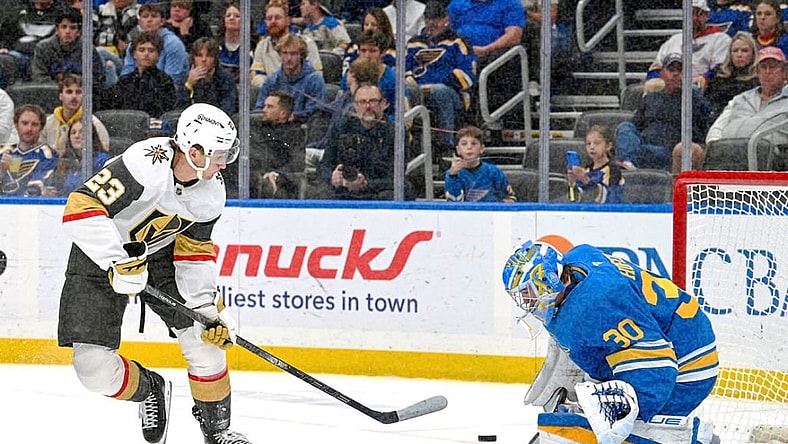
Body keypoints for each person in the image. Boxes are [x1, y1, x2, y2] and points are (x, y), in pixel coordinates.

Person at [57, 102, 254, 444]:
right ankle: (150, 390)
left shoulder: (211, 192)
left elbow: (194, 253)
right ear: (194, 152)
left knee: (204, 342)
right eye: (219, 154)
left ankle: (218, 433)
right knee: (93, 370)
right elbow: (80, 205)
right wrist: (116, 259)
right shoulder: (144, 162)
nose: (224, 163)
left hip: (159, 256)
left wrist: (207, 311)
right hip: (98, 255)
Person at [501, 236, 718, 444]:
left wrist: (625, 409)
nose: (527, 302)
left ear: (548, 279)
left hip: (688, 361)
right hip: (677, 334)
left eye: (528, 291)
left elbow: (659, 368)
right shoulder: (578, 264)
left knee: (624, 428)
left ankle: (696, 439)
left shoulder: (597, 302)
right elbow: (601, 337)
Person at [616, 53, 714, 171]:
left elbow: (703, 132)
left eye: (680, 70)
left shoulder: (694, 100)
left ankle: (629, 162)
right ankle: (629, 163)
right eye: (671, 70)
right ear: (662, 73)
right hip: (644, 144)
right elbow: (635, 126)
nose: (675, 73)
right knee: (625, 126)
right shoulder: (651, 98)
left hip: (669, 152)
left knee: (641, 150)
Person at [405, 0, 476, 152]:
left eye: (436, 19)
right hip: (418, 92)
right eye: (428, 19)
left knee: (439, 91)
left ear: (446, 19)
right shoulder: (414, 43)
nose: (432, 23)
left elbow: (468, 74)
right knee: (404, 90)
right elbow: (405, 68)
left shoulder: (459, 41)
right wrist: (411, 81)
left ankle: (447, 146)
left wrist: (435, 85)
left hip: (452, 94)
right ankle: (407, 145)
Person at [317, 83, 400, 200]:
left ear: (384, 104)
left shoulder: (396, 132)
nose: (367, 107)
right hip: (344, 190)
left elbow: (397, 177)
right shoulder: (341, 127)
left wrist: (365, 184)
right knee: (320, 192)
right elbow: (324, 165)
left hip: (377, 192)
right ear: (355, 106)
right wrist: (332, 176)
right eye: (362, 102)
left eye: (373, 101)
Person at [705, 46, 788, 146]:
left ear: (784, 72)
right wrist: (716, 146)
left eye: (773, 67)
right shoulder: (740, 99)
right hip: (731, 153)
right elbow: (718, 127)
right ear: (757, 72)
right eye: (763, 67)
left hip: (774, 156)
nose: (767, 72)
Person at [646, 0, 730, 90]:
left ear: (707, 16)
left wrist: (705, 78)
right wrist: (655, 80)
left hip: (700, 87)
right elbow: (656, 66)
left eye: (699, 14)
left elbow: (721, 68)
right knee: (636, 91)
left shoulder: (720, 39)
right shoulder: (675, 39)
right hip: (670, 86)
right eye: (690, 13)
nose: (694, 18)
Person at [101, 30, 177, 118]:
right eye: (141, 50)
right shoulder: (125, 81)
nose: (146, 54)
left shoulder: (165, 81)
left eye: (151, 50)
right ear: (134, 54)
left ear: (158, 55)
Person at [253, 34, 326, 123]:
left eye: (293, 54)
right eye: (285, 53)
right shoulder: (272, 80)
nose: (288, 58)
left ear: (301, 55)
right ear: (280, 54)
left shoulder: (315, 80)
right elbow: (259, 109)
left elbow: (315, 113)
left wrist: (290, 117)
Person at [250, 0, 322, 88]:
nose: (273, 21)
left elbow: (316, 77)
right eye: (269, 18)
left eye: (277, 17)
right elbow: (256, 76)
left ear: (288, 21)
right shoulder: (262, 46)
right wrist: (276, 86)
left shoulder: (307, 43)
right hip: (271, 95)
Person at [30, 6, 107, 88]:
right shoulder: (43, 48)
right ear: (57, 30)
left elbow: (97, 79)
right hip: (51, 94)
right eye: (64, 27)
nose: (67, 31)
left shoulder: (88, 49)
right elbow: (39, 77)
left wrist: (74, 87)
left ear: (79, 32)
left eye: (73, 28)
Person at [121, 3, 189, 88]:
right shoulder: (133, 44)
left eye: (154, 16)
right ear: (140, 22)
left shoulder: (173, 44)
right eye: (145, 16)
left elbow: (173, 79)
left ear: (162, 21)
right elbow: (127, 71)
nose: (149, 20)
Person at [42, 74, 111, 157]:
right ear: (60, 96)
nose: (74, 96)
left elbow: (103, 156)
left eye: (78, 92)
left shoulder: (94, 124)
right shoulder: (47, 123)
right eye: (69, 92)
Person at [253, 90, 306, 199]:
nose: (263, 110)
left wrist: (277, 174)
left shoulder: (294, 134)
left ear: (283, 114)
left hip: (279, 183)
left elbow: (297, 162)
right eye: (264, 106)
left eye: (270, 107)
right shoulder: (254, 128)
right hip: (253, 176)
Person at [444, 125, 515, 202]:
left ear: (481, 148)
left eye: (474, 143)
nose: (469, 147)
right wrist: (453, 176)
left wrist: (493, 209)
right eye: (464, 144)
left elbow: (510, 198)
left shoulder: (493, 171)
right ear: (458, 150)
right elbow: (454, 204)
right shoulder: (451, 174)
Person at [0, 104, 59, 197]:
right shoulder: (4, 152)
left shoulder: (47, 154)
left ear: (41, 128)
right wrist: (1, 172)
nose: (29, 129)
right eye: (24, 123)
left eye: (34, 124)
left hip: (32, 208)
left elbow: (36, 189)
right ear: (16, 125)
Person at [340, 30, 400, 119]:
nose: (367, 56)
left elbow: (401, 115)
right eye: (363, 50)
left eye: (372, 51)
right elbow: (341, 108)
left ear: (382, 52)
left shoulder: (393, 79)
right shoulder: (351, 75)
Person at [47, 119, 112, 196]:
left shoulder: (102, 160)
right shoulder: (65, 162)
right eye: (73, 133)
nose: (77, 136)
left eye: (82, 132)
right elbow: (56, 188)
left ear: (91, 136)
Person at [177, 37, 238, 116]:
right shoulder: (186, 79)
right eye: (199, 56)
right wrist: (189, 85)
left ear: (215, 59)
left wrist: (208, 82)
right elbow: (179, 110)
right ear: (193, 58)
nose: (204, 60)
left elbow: (227, 109)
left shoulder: (226, 78)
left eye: (209, 56)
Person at [704, 31, 760, 119]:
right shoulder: (719, 73)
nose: (739, 55)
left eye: (744, 51)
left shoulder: (759, 77)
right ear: (730, 54)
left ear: (753, 54)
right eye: (735, 51)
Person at [567, 125, 624, 204]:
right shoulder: (586, 170)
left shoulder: (613, 170)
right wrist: (572, 183)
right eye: (588, 144)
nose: (592, 147)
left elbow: (608, 198)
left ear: (608, 146)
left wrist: (585, 180)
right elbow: (573, 200)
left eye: (596, 143)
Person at [342, 7, 396, 74]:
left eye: (374, 25)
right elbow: (347, 70)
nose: (369, 28)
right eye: (366, 24)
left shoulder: (393, 51)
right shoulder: (353, 46)